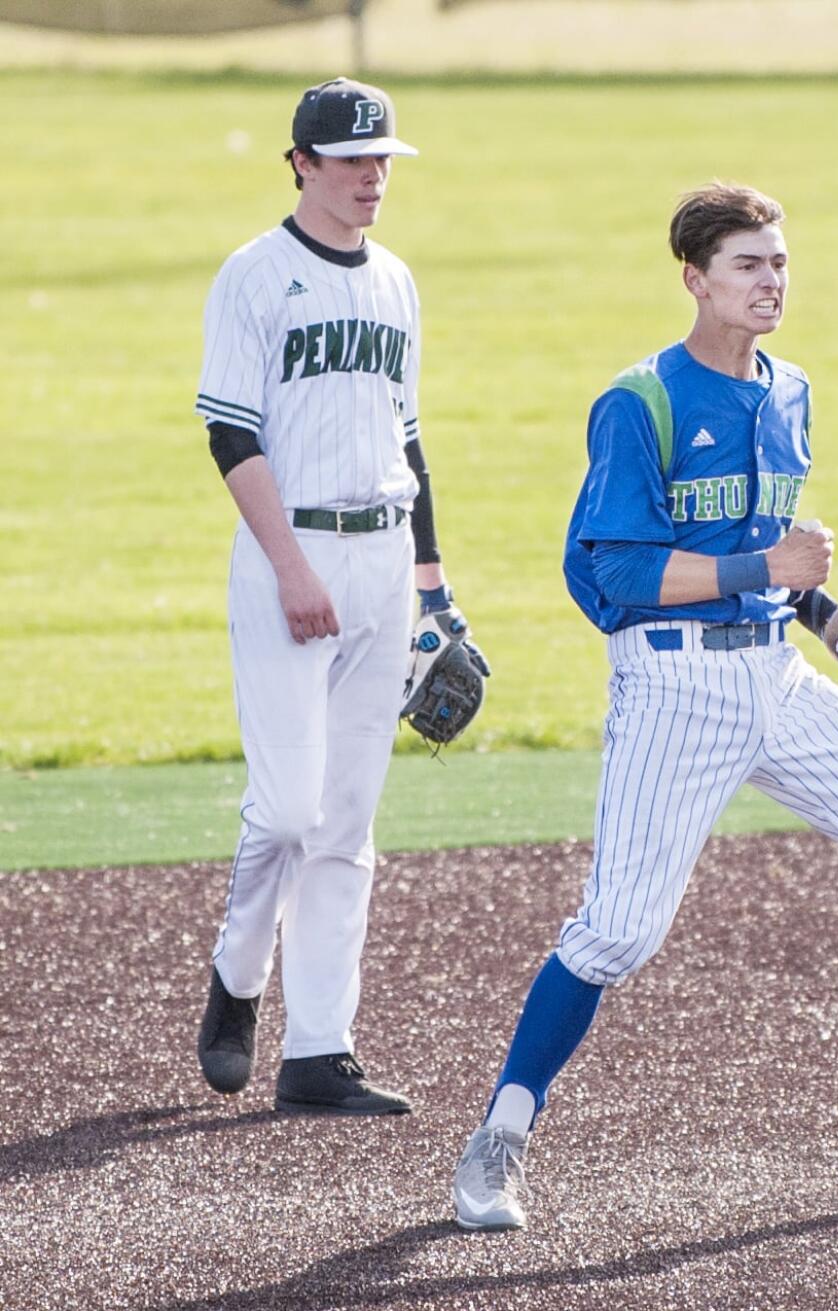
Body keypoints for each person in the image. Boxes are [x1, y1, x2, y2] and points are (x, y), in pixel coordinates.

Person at [450, 182, 838, 1229]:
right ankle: (496, 1142)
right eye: (747, 264)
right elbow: (615, 577)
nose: (770, 282)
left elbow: (765, 563)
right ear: (694, 280)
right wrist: (768, 562)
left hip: (774, 678)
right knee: (614, 932)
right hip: (673, 684)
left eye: (780, 263)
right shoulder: (641, 400)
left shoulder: (789, 390)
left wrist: (823, 611)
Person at [195, 77, 483, 1115]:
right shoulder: (256, 277)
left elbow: (408, 439)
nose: (370, 178)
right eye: (352, 160)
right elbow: (232, 433)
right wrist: (290, 568)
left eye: (381, 161)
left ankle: (318, 1050)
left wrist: (434, 590)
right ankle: (236, 979)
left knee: (346, 822)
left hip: (380, 556)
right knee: (284, 809)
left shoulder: (395, 281)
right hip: (291, 552)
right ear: (301, 164)